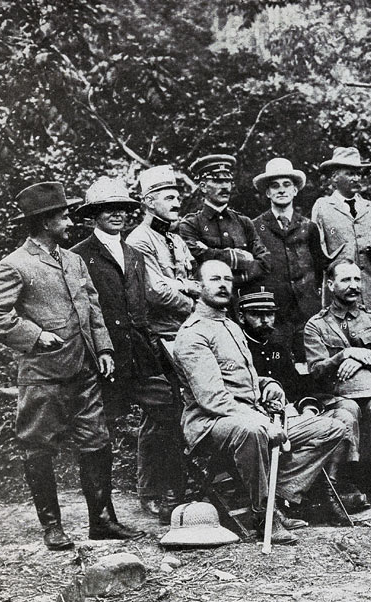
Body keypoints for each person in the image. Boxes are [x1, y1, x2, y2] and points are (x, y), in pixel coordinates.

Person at [0, 182, 142, 549]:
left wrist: (104, 349)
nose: (69, 222)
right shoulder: (15, 265)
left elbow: (92, 308)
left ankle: (102, 521)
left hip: (85, 370)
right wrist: (34, 336)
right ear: (45, 222)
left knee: (97, 441)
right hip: (42, 374)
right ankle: (52, 527)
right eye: (62, 216)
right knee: (38, 447)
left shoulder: (73, 260)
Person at [172, 260, 351, 545]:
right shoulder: (194, 334)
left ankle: (276, 499)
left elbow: (247, 380)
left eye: (227, 279)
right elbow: (212, 398)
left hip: (249, 413)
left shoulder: (230, 326)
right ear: (198, 287)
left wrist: (268, 386)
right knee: (253, 432)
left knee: (331, 429)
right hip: (210, 423)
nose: (222, 284)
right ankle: (263, 515)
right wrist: (263, 422)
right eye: (214, 279)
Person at [71, 177, 184, 523]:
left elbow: (141, 306)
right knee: (98, 432)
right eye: (108, 209)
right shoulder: (79, 256)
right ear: (93, 215)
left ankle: (169, 496)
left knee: (169, 413)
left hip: (141, 355)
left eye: (122, 208)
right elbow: (82, 311)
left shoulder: (134, 254)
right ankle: (103, 515)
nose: (117, 215)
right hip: (103, 359)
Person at [237, 287, 365, 518]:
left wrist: (307, 408)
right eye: (257, 314)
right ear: (241, 316)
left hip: (290, 414)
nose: (266, 321)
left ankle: (327, 489)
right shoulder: (239, 349)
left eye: (270, 314)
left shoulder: (277, 348)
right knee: (328, 430)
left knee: (345, 415)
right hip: (260, 418)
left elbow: (296, 386)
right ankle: (297, 494)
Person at [304, 260, 371, 507]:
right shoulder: (316, 325)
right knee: (348, 412)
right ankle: (348, 483)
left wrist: (361, 359)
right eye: (346, 280)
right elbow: (316, 370)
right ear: (330, 284)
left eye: (357, 280)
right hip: (337, 393)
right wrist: (342, 356)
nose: (353, 286)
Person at [251, 158, 326, 356]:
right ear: (267, 192)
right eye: (275, 186)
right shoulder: (255, 227)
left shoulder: (308, 227)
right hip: (274, 313)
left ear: (295, 190)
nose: (281, 190)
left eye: (287, 185)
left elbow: (319, 269)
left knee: (310, 363)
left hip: (307, 311)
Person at [312, 147, 371, 313]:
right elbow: (317, 252)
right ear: (334, 177)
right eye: (350, 173)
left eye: (358, 174)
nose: (356, 178)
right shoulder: (322, 207)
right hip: (339, 295)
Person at [126, 164, 199, 340]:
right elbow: (156, 292)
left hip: (190, 330)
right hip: (163, 335)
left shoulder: (176, 239)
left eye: (178, 198)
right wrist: (196, 307)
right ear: (150, 202)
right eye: (169, 198)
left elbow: (197, 282)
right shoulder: (139, 240)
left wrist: (182, 284)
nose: (177, 204)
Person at [179, 154, 271, 293]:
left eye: (228, 181)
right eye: (218, 181)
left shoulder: (244, 222)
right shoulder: (190, 225)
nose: (225, 187)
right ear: (203, 187)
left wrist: (210, 253)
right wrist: (243, 258)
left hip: (243, 301)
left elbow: (265, 262)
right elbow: (196, 262)